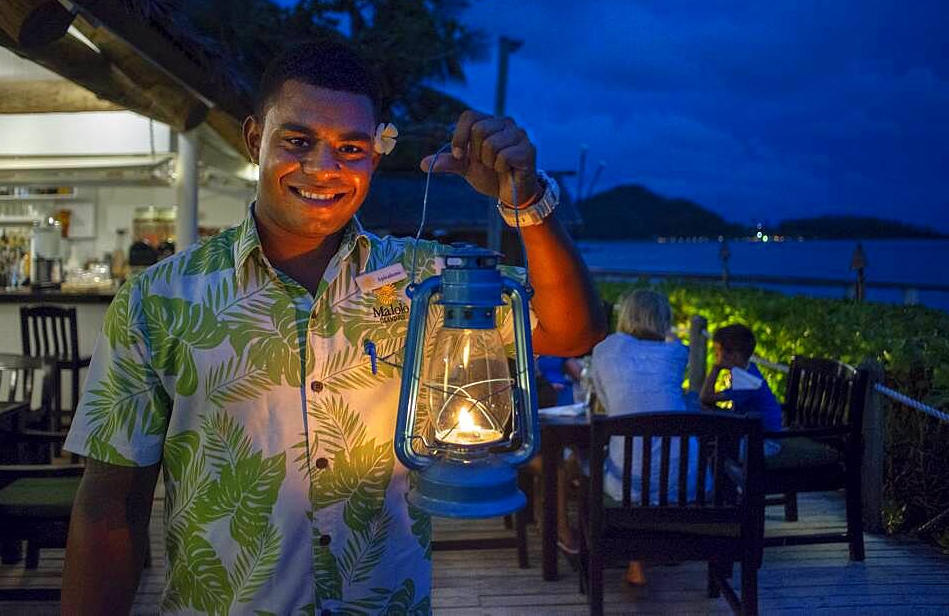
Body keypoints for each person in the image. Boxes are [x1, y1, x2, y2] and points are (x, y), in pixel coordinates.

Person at [59, 40, 606, 615]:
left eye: (351, 147)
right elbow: (110, 505)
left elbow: (573, 333)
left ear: (376, 154)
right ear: (254, 141)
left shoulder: (426, 281)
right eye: (297, 141)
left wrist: (526, 201)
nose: (324, 168)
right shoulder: (159, 298)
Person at [584, 288, 692, 586]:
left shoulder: (605, 349)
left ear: (625, 316)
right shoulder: (678, 352)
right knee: (658, 463)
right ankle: (661, 547)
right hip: (683, 482)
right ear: (664, 320)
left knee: (621, 465)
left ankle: (634, 559)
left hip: (627, 483)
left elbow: (604, 405)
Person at [699, 323, 782, 435]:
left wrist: (716, 368)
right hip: (753, 430)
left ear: (734, 356)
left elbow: (705, 397)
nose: (716, 357)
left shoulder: (747, 382)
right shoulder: (748, 369)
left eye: (718, 353)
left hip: (765, 440)